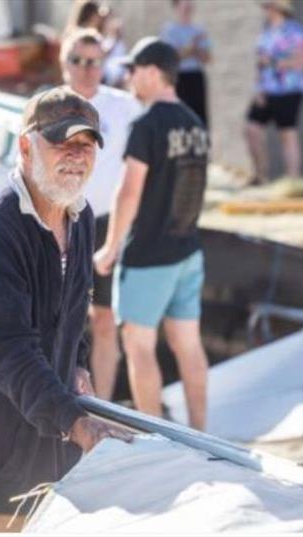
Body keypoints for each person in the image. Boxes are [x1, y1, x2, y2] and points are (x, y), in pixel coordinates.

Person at [0, 86, 133, 533]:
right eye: (61, 143)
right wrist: (77, 422)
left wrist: (75, 364)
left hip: (42, 445)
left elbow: (72, 312)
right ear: (24, 146)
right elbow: (11, 353)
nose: (75, 156)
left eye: (86, 145)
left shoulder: (79, 216)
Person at [94, 37, 209, 430]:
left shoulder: (146, 125)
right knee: (188, 345)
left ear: (153, 72)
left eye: (133, 69)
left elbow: (129, 193)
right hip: (189, 250)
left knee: (139, 346)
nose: (128, 77)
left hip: (149, 255)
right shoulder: (195, 125)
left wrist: (109, 247)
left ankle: (156, 438)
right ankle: (202, 433)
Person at [59, 28, 142, 400]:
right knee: (59, 316)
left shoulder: (123, 107)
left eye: (93, 61)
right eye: (77, 60)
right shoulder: (50, 106)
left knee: (105, 318)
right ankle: (61, 399)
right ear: (64, 63)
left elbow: (141, 167)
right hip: (59, 219)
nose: (86, 69)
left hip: (107, 222)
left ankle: (105, 405)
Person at [244, 0, 303, 183]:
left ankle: (293, 180)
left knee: (287, 133)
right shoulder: (265, 31)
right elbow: (260, 64)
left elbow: (301, 62)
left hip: (289, 89)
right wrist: (258, 89)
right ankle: (260, 175)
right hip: (266, 90)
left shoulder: (295, 30)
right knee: (252, 129)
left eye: (267, 5)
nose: (264, 9)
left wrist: (273, 62)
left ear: (278, 8)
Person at [160, 0, 211, 129]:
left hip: (196, 76)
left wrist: (189, 50)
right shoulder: (169, 30)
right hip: (178, 78)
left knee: (199, 117)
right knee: (179, 117)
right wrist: (193, 46)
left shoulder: (199, 29)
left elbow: (207, 57)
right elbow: (173, 56)